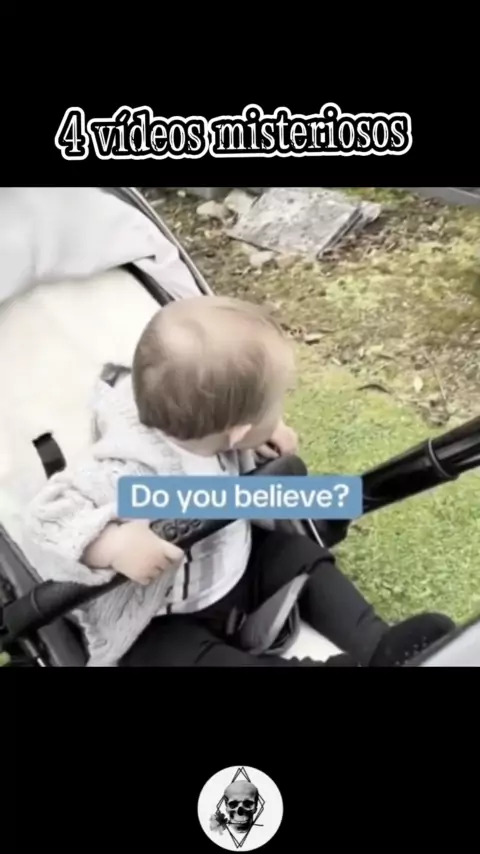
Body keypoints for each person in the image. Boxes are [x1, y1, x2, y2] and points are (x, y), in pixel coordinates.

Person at [25, 296, 455, 667]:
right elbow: (48, 519)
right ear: (237, 429)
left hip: (237, 563)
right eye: (275, 407)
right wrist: (114, 545)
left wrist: (266, 435)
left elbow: (240, 454)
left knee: (298, 555)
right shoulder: (131, 471)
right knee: (171, 657)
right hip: (164, 614)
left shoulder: (212, 433)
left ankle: (378, 645)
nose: (280, 413)